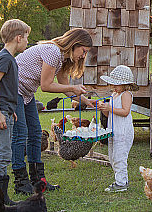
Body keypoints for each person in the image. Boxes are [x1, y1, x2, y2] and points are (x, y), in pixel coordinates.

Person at [11, 28, 96, 195]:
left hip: (26, 93)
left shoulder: (63, 58)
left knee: (35, 134)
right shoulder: (53, 51)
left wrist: (87, 101)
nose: (83, 56)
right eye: (83, 51)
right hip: (13, 89)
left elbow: (65, 87)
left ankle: (38, 181)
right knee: (21, 135)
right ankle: (20, 182)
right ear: (74, 44)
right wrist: (73, 86)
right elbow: (46, 85)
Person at [0, 19, 30, 209]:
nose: (28, 42)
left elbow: (5, 89)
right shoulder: (4, 58)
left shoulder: (10, 59)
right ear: (18, 38)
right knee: (2, 154)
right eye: (27, 38)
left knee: (6, 154)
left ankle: (1, 197)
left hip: (6, 112)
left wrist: (10, 111)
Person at [98, 65, 135, 192]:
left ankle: (121, 183)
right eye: (112, 84)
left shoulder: (126, 94)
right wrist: (104, 109)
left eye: (116, 84)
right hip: (113, 130)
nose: (113, 87)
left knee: (120, 157)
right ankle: (120, 179)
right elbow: (109, 114)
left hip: (123, 131)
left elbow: (125, 111)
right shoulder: (114, 94)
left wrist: (109, 108)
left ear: (125, 84)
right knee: (113, 157)